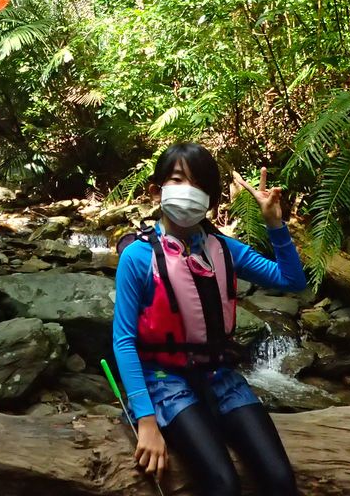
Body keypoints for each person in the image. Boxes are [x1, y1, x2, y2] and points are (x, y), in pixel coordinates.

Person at [111, 142, 307, 496]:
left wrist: (275, 225)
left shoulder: (224, 249)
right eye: (177, 180)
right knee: (223, 485)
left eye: (200, 185)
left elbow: (292, 280)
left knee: (280, 480)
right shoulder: (138, 257)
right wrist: (146, 419)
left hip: (221, 375)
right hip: (164, 380)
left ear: (211, 200)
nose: (189, 192)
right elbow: (124, 340)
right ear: (156, 191)